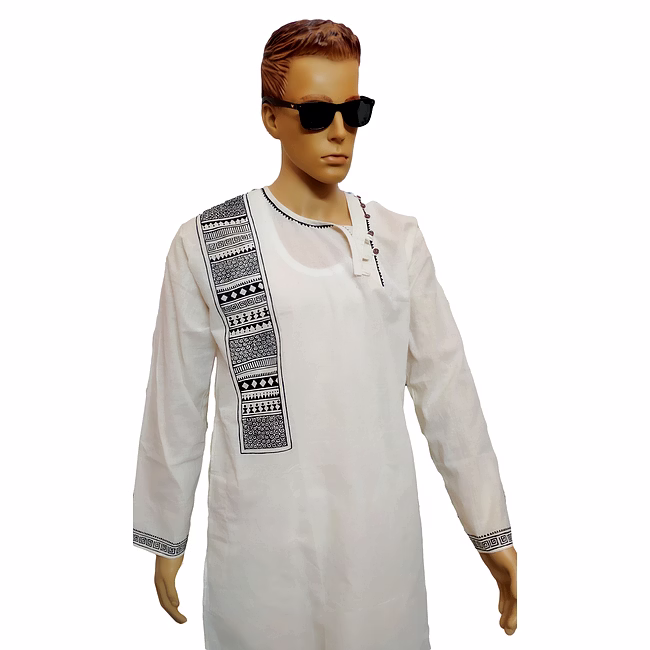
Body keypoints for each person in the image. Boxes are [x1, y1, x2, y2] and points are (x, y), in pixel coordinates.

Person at [132, 18, 517, 650]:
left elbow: (449, 394)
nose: (339, 131)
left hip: (378, 548)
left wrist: (490, 530)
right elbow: (175, 403)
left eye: (354, 112)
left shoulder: (397, 241)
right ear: (270, 118)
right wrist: (165, 535)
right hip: (260, 554)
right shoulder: (209, 242)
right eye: (316, 114)